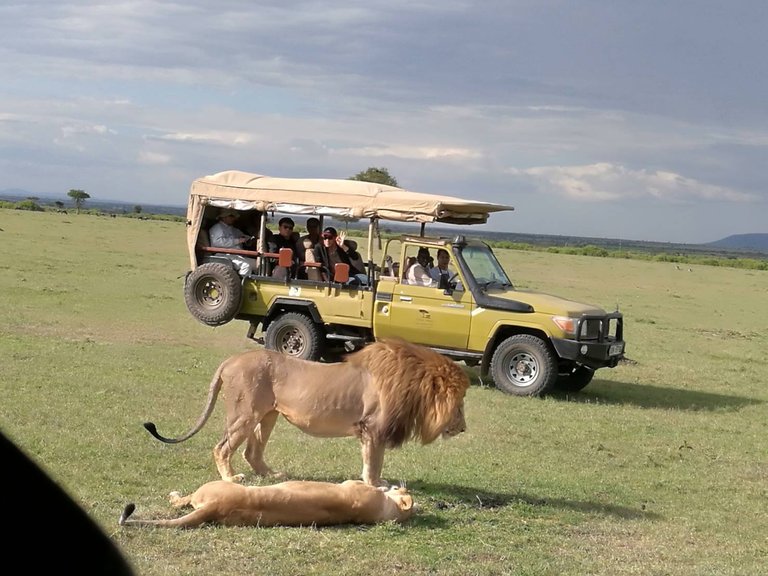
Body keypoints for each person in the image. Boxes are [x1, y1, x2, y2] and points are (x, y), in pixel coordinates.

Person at [208, 209, 258, 276]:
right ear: (224, 217)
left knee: (257, 264)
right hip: (224, 255)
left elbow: (241, 235)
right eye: (231, 216)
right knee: (245, 266)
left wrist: (248, 238)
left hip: (236, 254)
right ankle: (240, 285)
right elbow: (217, 242)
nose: (233, 218)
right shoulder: (217, 228)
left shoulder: (231, 228)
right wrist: (237, 241)